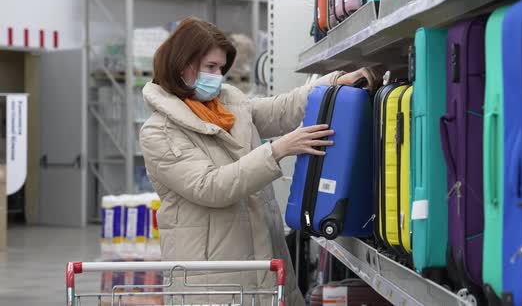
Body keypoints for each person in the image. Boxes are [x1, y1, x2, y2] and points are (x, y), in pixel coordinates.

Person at [140, 17, 379, 305]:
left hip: (260, 257)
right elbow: (211, 187)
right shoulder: (160, 132)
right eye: (210, 67)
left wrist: (334, 84)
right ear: (182, 65)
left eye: (221, 68)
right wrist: (276, 150)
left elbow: (281, 110)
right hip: (211, 275)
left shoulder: (227, 103)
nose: (217, 77)